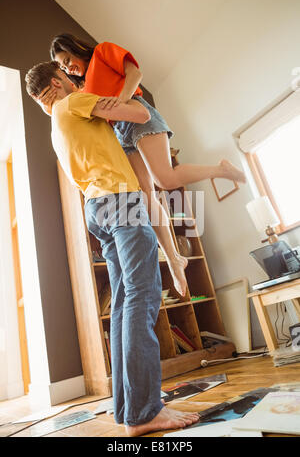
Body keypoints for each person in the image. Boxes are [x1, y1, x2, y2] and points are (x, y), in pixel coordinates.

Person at [25, 61, 200, 436]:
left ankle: (128, 409)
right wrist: (111, 97)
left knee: (123, 304)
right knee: (143, 297)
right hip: (120, 201)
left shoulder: (55, 125)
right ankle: (144, 411)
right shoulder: (73, 103)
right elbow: (138, 111)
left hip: (96, 208)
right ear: (59, 82)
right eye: (69, 77)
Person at [38, 34, 246, 298]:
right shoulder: (82, 90)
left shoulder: (102, 53)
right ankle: (173, 258)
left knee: (165, 180)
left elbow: (134, 73)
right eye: (63, 67)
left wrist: (122, 99)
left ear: (76, 49)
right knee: (146, 197)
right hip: (120, 133)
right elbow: (74, 111)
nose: (68, 67)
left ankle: (222, 170)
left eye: (68, 60)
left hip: (137, 114)